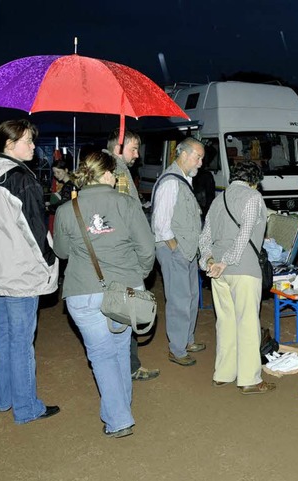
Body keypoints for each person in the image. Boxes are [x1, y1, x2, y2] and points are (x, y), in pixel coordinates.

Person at [53, 150, 155, 438]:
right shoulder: (126, 204)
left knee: (101, 354)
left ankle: (119, 415)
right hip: (125, 290)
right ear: (108, 174)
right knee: (120, 348)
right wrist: (139, 274)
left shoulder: (65, 210)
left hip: (83, 291)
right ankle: (120, 411)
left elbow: (60, 251)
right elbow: (147, 249)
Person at [0, 119, 60, 423]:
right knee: (21, 341)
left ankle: (4, 399)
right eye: (28, 141)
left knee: (0, 336)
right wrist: (51, 262)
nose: (34, 146)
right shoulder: (22, 178)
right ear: (9, 144)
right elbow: (36, 231)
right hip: (19, 272)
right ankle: (26, 408)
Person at [199, 160, 276, 394]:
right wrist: (227, 261)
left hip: (218, 273)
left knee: (225, 322)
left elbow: (204, 237)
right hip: (242, 269)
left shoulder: (217, 200)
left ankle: (223, 374)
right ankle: (250, 379)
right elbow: (245, 234)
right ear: (254, 182)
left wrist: (210, 261)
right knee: (248, 323)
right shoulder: (253, 198)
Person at [106, 129, 160, 381]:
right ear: (119, 147)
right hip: (125, 255)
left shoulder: (109, 168)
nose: (137, 155)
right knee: (127, 310)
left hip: (109, 255)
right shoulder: (117, 170)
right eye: (133, 148)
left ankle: (124, 366)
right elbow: (127, 216)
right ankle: (129, 367)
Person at [152, 137, 206, 367]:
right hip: (175, 250)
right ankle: (177, 348)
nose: (201, 163)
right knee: (178, 300)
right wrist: (177, 250)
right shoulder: (170, 182)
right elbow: (160, 225)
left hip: (186, 249)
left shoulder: (183, 179)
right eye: (198, 157)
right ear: (183, 154)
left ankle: (187, 340)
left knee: (191, 296)